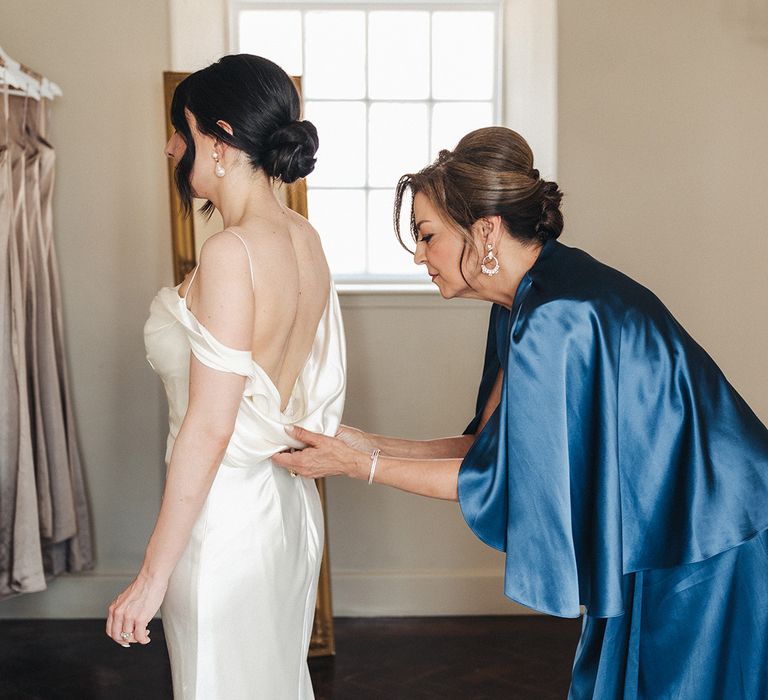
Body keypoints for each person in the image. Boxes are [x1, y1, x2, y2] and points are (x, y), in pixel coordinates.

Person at [273, 127, 768, 699]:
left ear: (484, 231)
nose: (419, 255)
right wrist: (355, 441)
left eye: (427, 235)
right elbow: (488, 448)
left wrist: (354, 465)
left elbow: (489, 479)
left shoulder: (554, 315)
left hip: (717, 532)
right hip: (675, 526)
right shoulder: (531, 297)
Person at [105, 54, 346, 700]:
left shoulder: (229, 254)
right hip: (286, 516)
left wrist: (152, 576)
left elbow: (211, 426)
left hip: (224, 523)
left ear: (217, 139)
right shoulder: (307, 240)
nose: (169, 147)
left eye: (180, 132)